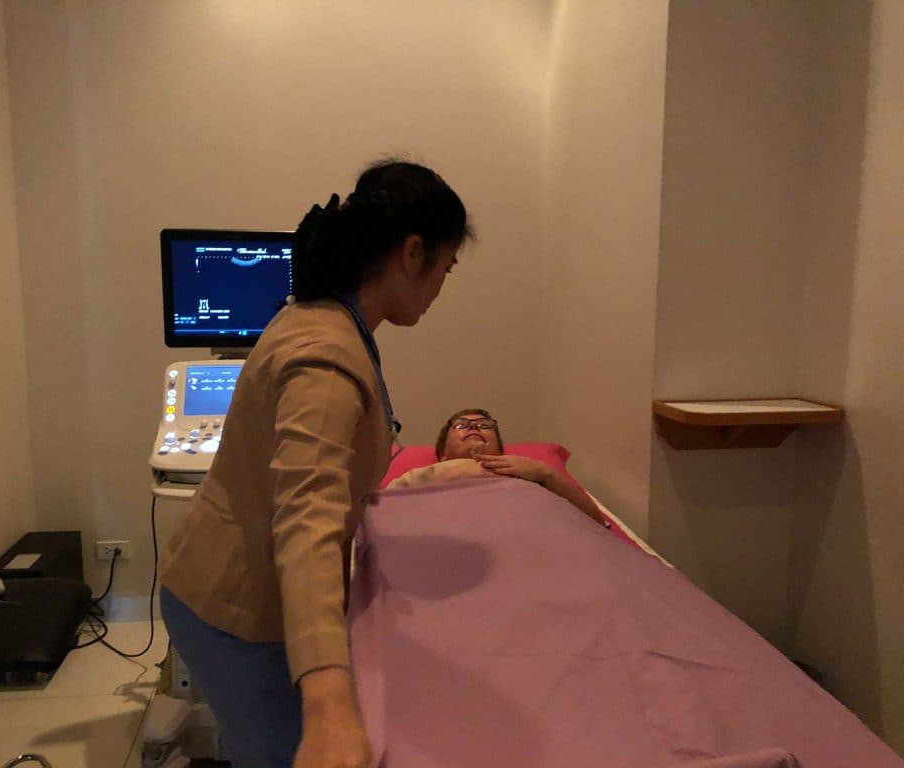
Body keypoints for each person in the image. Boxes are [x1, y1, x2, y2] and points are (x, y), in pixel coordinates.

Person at [157, 160, 472, 768]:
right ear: (413, 253)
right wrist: (328, 702)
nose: (441, 287)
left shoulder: (324, 318)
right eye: (447, 268)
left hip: (217, 582)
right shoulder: (327, 355)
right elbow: (306, 518)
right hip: (233, 607)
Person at [435, 408, 612, 528]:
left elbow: (597, 525)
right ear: (443, 455)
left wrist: (544, 473)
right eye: (461, 424)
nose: (474, 426)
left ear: (500, 451)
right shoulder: (427, 479)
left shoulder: (529, 474)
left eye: (484, 425)